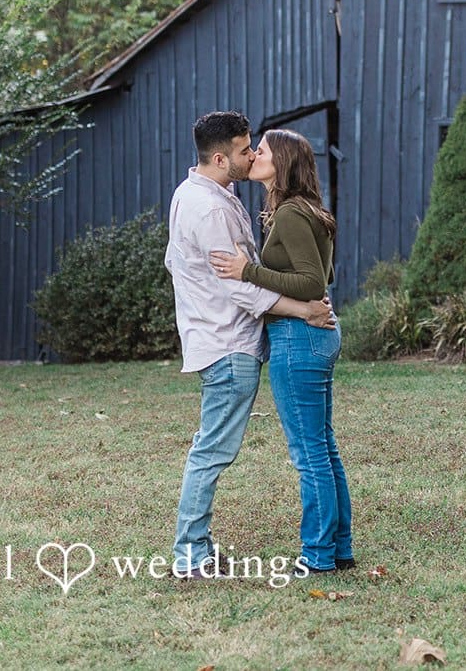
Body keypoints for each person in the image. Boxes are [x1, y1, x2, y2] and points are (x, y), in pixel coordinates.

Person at [166, 111, 333, 581]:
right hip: (228, 343)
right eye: (245, 150)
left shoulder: (198, 193)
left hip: (216, 335)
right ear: (221, 158)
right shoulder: (213, 208)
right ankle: (191, 555)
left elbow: (177, 261)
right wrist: (303, 310)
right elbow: (240, 286)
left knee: (213, 447)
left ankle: (196, 548)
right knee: (213, 451)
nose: (253, 154)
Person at [209, 128, 353, 575]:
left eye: (263, 151)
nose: (253, 155)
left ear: (282, 162)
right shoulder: (300, 210)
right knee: (323, 449)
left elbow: (314, 283)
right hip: (312, 337)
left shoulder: (291, 213)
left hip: (298, 339)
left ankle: (317, 557)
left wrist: (246, 270)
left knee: (309, 454)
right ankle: (339, 548)